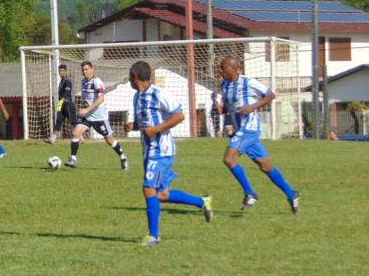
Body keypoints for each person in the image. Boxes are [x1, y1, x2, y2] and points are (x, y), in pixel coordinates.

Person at [126, 61, 212, 246]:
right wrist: (133, 126)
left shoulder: (158, 94)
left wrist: (157, 129)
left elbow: (179, 115)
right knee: (161, 195)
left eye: (129, 76)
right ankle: (202, 201)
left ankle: (153, 236)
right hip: (148, 150)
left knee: (148, 189)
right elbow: (145, 123)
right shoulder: (136, 97)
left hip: (161, 150)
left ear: (135, 76)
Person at [218, 56, 300, 213]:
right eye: (220, 67)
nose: (220, 70)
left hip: (248, 128)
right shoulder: (224, 84)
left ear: (234, 69)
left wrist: (253, 106)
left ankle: (250, 193)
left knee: (229, 158)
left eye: (224, 67)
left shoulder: (248, 82)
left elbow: (270, 95)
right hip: (239, 129)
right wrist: (222, 110)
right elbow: (229, 105)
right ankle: (291, 193)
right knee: (265, 166)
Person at [65, 61, 128, 170]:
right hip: (88, 116)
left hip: (99, 117)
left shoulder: (97, 82)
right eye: (83, 70)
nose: (84, 72)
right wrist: (83, 108)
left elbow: (100, 99)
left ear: (92, 69)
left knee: (109, 140)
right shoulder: (83, 81)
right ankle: (73, 159)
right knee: (75, 133)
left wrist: (87, 109)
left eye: (86, 69)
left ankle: (123, 157)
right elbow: (87, 98)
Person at [45, 64, 76, 144]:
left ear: (65, 71)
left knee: (73, 122)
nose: (60, 72)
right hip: (62, 104)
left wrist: (61, 102)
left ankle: (81, 138)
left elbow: (67, 93)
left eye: (61, 71)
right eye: (59, 71)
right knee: (58, 120)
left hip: (68, 104)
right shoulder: (62, 80)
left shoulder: (67, 80)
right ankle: (53, 139)